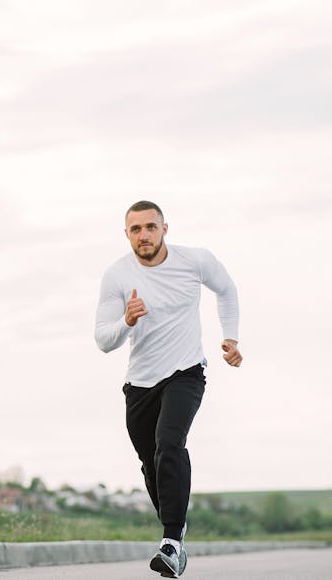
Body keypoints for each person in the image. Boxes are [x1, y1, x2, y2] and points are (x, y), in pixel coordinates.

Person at [94, 200, 242, 578]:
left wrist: (231, 338)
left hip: (185, 372)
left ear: (164, 229)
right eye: (135, 229)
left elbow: (226, 289)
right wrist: (127, 321)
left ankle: (172, 541)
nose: (144, 235)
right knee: (152, 464)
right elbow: (103, 340)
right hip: (140, 383)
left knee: (169, 444)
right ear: (127, 234)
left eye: (150, 227)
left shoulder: (194, 261)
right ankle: (176, 524)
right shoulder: (116, 276)